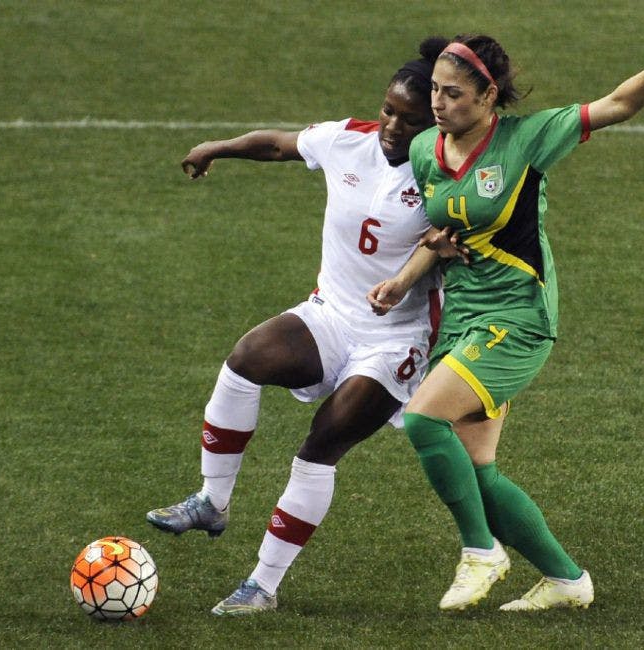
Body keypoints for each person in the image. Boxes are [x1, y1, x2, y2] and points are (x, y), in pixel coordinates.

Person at [368, 34, 644, 612]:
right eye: (436, 92)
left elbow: (615, 105)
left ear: (489, 96)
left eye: (454, 94)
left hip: (518, 317)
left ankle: (481, 552)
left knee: (420, 421)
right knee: (477, 471)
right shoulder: (425, 150)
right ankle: (567, 580)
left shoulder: (527, 139)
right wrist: (402, 280)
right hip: (463, 316)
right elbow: (444, 234)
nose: (439, 104)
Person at [146, 43, 450, 616]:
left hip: (394, 342)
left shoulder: (445, 172)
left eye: (410, 120)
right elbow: (279, 145)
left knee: (318, 448)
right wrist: (221, 148)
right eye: (388, 110)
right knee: (246, 359)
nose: (392, 126)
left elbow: (465, 247)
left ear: (432, 122)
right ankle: (213, 500)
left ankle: (262, 586)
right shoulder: (348, 140)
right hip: (330, 315)